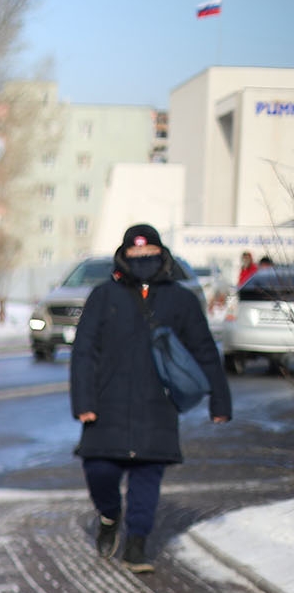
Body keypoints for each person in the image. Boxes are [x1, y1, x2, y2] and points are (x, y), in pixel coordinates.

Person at [70, 224, 231, 572]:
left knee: (147, 476)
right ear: (124, 256)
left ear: (162, 255)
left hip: (158, 406)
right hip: (105, 405)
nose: (143, 260)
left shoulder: (181, 299)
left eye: (150, 254)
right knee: (99, 470)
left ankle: (137, 544)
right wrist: (83, 402)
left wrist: (220, 401)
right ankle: (110, 517)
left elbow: (204, 351)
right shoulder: (103, 296)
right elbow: (83, 352)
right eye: (135, 254)